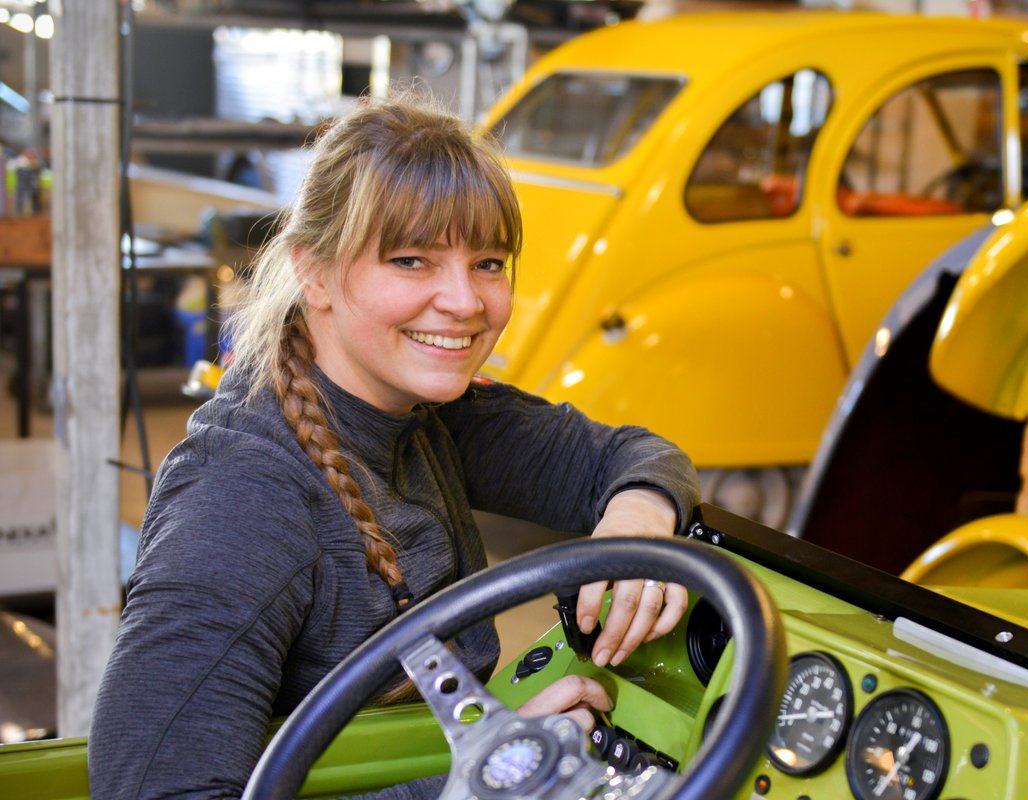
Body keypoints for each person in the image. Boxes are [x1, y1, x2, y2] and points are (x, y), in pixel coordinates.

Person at [89, 90, 700, 799]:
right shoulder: (241, 504)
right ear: (313, 271)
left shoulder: (428, 412)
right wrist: (485, 777)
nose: (466, 302)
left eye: (489, 263)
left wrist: (637, 521)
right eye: (412, 260)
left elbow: (631, 455)